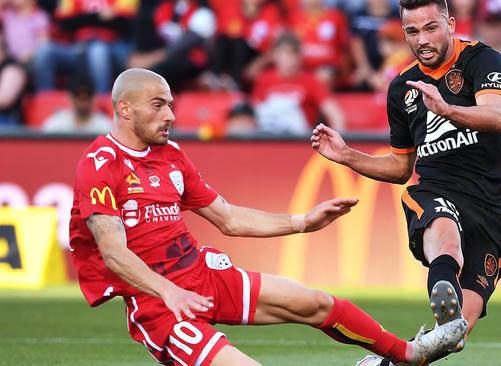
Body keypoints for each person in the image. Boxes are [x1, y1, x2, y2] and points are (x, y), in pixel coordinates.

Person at [69, 68, 467, 366]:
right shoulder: (100, 164)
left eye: (171, 104)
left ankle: (408, 354)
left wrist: (302, 222)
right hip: (158, 306)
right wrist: (168, 292)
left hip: (202, 276)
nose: (171, 114)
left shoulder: (171, 156)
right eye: (159, 105)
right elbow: (113, 253)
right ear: (125, 108)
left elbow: (229, 219)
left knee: (314, 302)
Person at [311, 0, 501, 364]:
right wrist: (347, 156)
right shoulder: (402, 88)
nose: (422, 39)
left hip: (491, 208)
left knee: (454, 336)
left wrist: (448, 109)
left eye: (431, 28)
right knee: (447, 243)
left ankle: (387, 361)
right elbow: (399, 166)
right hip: (437, 191)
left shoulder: (482, 60)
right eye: (412, 31)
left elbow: (496, 116)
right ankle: (443, 281)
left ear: (450, 23)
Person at [251, 33, 345, 134]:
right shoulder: (265, 79)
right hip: (270, 137)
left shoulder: (311, 81)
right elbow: (255, 110)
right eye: (284, 54)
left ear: (299, 57)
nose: (288, 60)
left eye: (292, 54)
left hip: (300, 139)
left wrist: (337, 142)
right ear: (275, 56)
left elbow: (334, 113)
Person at [42, 74, 112, 134]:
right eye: (77, 96)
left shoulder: (105, 126)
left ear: (94, 97)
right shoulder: (56, 124)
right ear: (69, 97)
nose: (82, 103)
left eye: (87, 97)